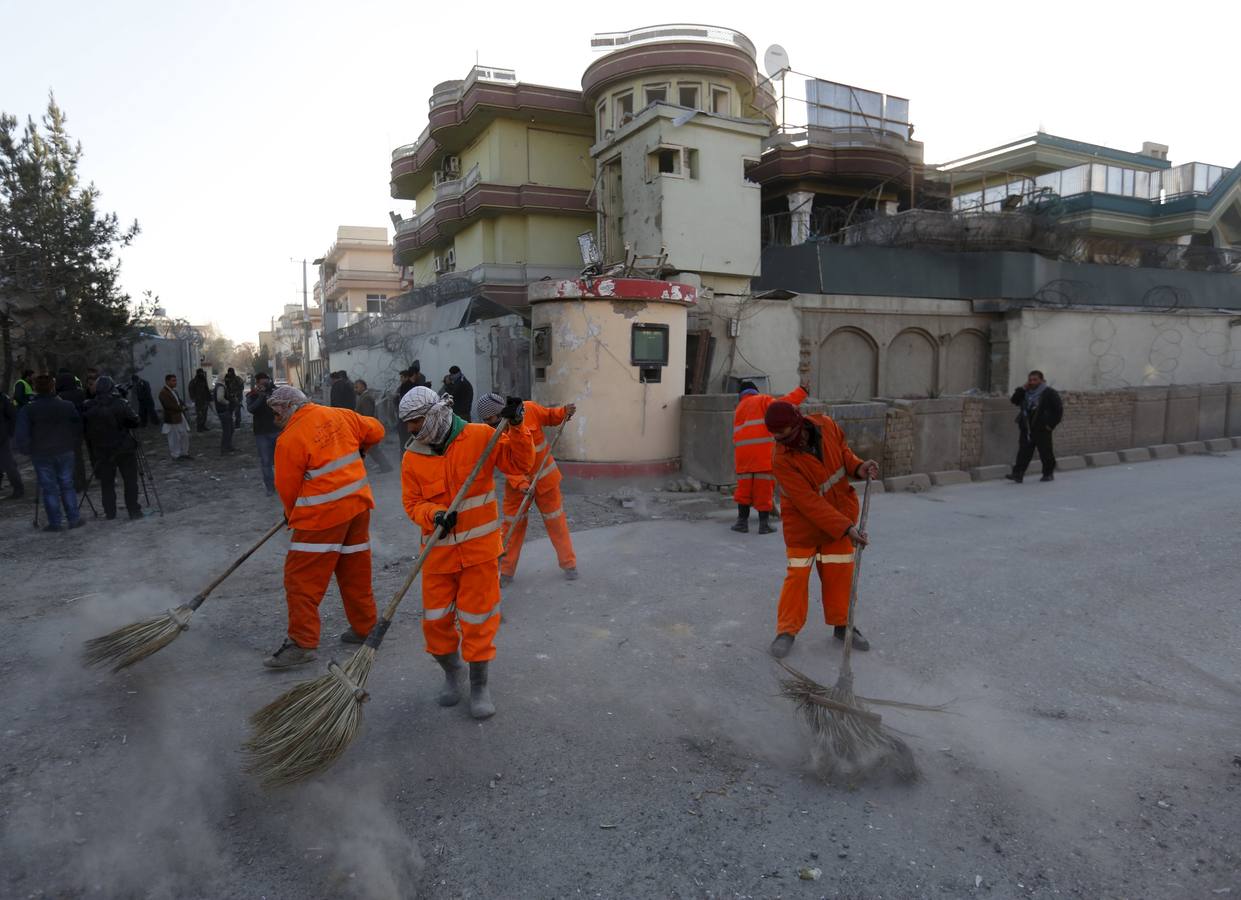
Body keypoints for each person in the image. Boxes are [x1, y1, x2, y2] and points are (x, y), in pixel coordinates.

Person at [399, 385, 532, 719]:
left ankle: (479, 684)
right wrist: (433, 515)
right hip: (438, 556)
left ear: (434, 414)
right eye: (408, 423)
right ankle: (451, 671)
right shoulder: (413, 456)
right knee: (435, 623)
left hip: (479, 553)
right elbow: (412, 503)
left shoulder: (479, 436)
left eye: (416, 421)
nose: (412, 429)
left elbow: (520, 462)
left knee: (478, 620)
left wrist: (517, 425)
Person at [264, 386, 385, 669]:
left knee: (301, 579)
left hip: (322, 518)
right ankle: (365, 627)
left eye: (276, 412)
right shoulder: (341, 415)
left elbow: (287, 487)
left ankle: (302, 643)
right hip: (357, 507)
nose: (275, 418)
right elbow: (377, 431)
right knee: (354, 570)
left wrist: (291, 514)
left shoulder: (290, 439)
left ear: (288, 407)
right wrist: (361, 449)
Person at [763, 401, 879, 659]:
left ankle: (843, 625)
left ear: (796, 423)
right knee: (797, 577)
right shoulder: (781, 459)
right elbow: (809, 503)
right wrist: (846, 528)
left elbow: (843, 453)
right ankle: (786, 631)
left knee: (840, 571)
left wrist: (858, 467)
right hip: (803, 526)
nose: (778, 439)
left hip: (839, 517)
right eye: (774, 435)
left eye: (781, 433)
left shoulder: (826, 425)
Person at [476, 392, 578, 584]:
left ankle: (569, 564)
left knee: (556, 522)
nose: (489, 424)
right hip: (517, 488)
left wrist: (564, 412)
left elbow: (550, 416)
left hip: (545, 481)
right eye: (486, 421)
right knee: (511, 528)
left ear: (500, 412)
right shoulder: (492, 434)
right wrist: (522, 483)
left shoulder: (529, 409)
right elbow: (505, 463)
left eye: (491, 419)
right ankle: (506, 572)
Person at [731, 377, 810, 534]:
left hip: (743, 456)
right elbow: (784, 405)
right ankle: (763, 525)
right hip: (763, 454)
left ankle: (741, 522)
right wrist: (802, 391)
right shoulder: (763, 400)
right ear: (755, 391)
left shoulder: (739, 408)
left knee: (744, 489)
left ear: (742, 395)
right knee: (763, 489)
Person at [14, 374, 84, 532]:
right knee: (67, 485)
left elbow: (21, 433)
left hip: (41, 452)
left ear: (35, 388)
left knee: (49, 488)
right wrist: (73, 442)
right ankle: (73, 519)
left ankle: (55, 522)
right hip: (64, 449)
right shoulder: (66, 406)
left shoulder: (29, 409)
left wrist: (27, 449)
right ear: (53, 387)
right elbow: (77, 426)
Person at [83, 376, 143, 520]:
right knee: (130, 480)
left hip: (102, 450)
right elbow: (135, 421)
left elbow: (86, 427)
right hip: (124, 448)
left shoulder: (89, 406)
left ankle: (110, 512)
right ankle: (133, 510)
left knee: (107, 483)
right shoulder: (120, 403)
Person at [1006, 370, 1063, 484]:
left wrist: (1049, 425)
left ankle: (1048, 473)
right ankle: (1018, 474)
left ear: (1041, 380)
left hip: (1042, 428)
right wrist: (1023, 388)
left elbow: (1058, 411)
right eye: (1030, 380)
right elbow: (1014, 400)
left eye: (1035, 380)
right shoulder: (1026, 392)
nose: (1032, 382)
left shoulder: (1049, 393)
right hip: (1027, 427)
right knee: (1023, 452)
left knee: (1045, 452)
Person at [55, 371, 88, 492]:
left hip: (65, 431)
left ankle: (75, 483)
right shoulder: (81, 393)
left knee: (68, 458)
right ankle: (82, 481)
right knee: (79, 456)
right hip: (79, 428)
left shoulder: (59, 397)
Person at [353, 379, 394, 474]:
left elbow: (368, 415)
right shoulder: (364, 397)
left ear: (363, 386)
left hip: (368, 428)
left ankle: (386, 467)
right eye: (354, 387)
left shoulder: (366, 398)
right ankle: (385, 466)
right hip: (367, 427)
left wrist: (364, 427)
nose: (355, 389)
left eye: (357, 387)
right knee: (370, 449)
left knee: (372, 449)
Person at [247, 372, 278, 495]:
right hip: (261, 433)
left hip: (277, 430)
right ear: (257, 383)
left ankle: (284, 484)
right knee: (266, 461)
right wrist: (261, 397)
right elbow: (251, 409)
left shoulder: (275, 392)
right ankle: (270, 487)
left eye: (267, 380)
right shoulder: (253, 394)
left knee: (282, 460)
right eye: (262, 381)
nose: (265, 383)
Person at [158, 374, 193, 461]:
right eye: (173, 381)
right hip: (171, 417)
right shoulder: (163, 393)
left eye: (175, 380)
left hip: (179, 416)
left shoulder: (174, 391)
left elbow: (179, 401)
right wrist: (182, 408)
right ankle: (175, 455)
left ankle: (184, 453)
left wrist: (184, 406)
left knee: (184, 435)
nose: (175, 382)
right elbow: (169, 405)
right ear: (167, 381)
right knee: (174, 437)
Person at [0, 386, 25, 498]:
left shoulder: (2, 398)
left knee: (8, 464)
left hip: (2, 438)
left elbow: (12, 415)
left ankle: (18, 488)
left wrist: (9, 432)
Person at [211, 374, 236, 454]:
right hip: (224, 411)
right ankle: (225, 449)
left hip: (224, 411)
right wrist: (228, 402)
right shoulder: (220, 387)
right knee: (227, 431)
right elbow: (220, 398)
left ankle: (228, 446)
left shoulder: (220, 386)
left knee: (230, 429)